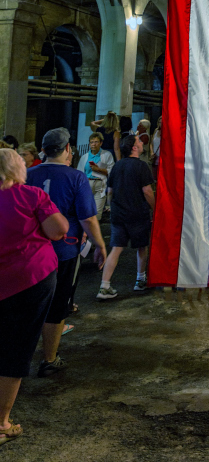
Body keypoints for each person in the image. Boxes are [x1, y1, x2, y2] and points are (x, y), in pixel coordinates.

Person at [0, 148, 68, 445]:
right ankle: (1, 423)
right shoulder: (31, 195)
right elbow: (57, 230)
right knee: (16, 348)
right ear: (19, 170)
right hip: (29, 280)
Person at [27, 128, 107, 376]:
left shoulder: (27, 174)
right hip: (64, 252)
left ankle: (19, 355)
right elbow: (88, 218)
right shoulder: (76, 178)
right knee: (58, 305)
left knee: (27, 304)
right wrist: (100, 245)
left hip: (29, 254)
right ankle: (49, 358)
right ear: (68, 149)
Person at [97, 134, 154, 300]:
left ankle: (104, 286)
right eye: (139, 141)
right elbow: (147, 191)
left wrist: (113, 207)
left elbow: (109, 192)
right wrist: (155, 208)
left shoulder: (117, 166)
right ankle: (140, 279)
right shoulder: (142, 166)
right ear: (134, 148)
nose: (142, 142)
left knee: (116, 249)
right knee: (142, 247)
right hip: (138, 214)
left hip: (119, 214)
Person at [76, 133, 113, 218]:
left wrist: (99, 169)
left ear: (101, 143)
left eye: (96, 142)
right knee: (86, 210)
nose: (93, 144)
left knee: (97, 212)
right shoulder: (85, 157)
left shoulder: (107, 155)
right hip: (87, 183)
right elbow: (80, 172)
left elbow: (112, 171)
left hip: (100, 183)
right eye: (92, 142)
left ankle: (95, 229)